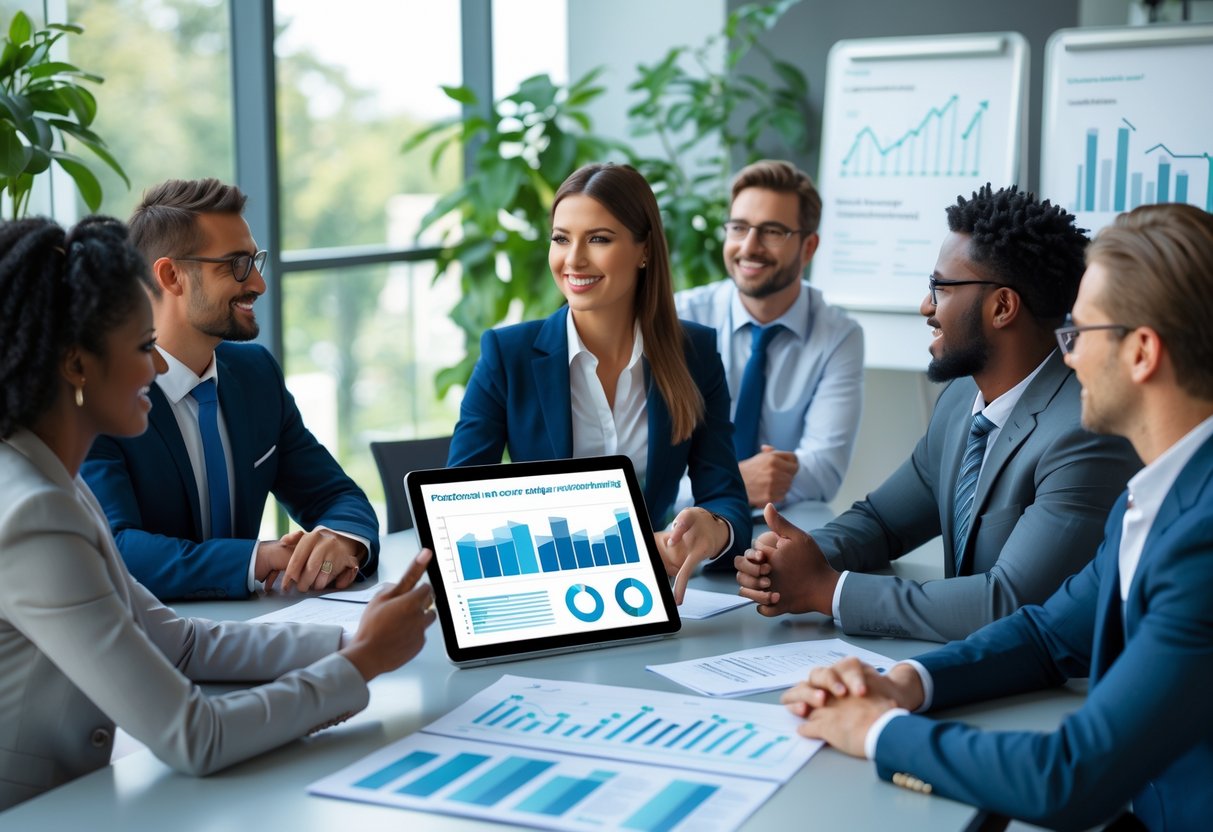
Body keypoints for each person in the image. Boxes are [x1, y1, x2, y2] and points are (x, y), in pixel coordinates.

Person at [784, 203, 1213, 831]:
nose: (1066, 359)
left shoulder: (1201, 538)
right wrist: (906, 682)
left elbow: (1069, 776)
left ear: (1143, 352)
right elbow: (1047, 634)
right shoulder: (1153, 496)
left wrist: (879, 732)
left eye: (1080, 335)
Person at [0, 216, 435, 811]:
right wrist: (363, 663)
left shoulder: (53, 481)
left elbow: (180, 645)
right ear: (77, 366)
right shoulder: (33, 514)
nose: (157, 367)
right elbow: (195, 736)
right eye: (142, 347)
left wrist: (357, 635)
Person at [736, 184, 1141, 642]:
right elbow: (882, 521)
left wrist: (829, 590)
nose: (926, 306)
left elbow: (1007, 603)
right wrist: (790, 555)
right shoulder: (961, 399)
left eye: (940, 288)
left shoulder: (1085, 431)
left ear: (1002, 306)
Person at [447, 163, 750, 601]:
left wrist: (712, 530)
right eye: (561, 238)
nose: (573, 259)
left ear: (643, 250)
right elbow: (457, 505)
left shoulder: (694, 354)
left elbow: (727, 500)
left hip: (650, 596)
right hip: (541, 592)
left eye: (599, 239)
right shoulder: (506, 354)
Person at [82, 179, 379, 601]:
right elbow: (116, 549)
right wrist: (257, 559)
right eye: (237, 265)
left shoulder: (256, 375)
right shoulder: (100, 396)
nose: (258, 283)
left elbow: (336, 494)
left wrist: (339, 540)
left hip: (255, 631)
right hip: (146, 641)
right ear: (171, 275)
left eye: (255, 261)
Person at [675, 160, 863, 509]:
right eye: (738, 228)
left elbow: (824, 469)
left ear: (808, 247)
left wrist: (713, 481)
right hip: (686, 520)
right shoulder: (681, 319)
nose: (749, 247)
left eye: (773, 231)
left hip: (780, 522)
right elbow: (650, 466)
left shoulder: (839, 336)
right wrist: (734, 482)